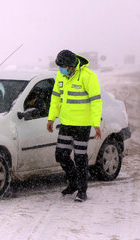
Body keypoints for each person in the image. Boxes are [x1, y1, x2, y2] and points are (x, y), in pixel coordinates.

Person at [46, 49, 103, 202]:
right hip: (66, 124)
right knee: (61, 155)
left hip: (82, 126)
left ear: (71, 65)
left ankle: (82, 191)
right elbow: (56, 99)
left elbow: (96, 101)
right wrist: (51, 118)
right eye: (59, 66)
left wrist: (95, 123)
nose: (60, 69)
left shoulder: (88, 76)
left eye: (62, 66)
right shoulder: (61, 75)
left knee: (80, 158)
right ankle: (73, 183)